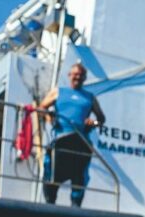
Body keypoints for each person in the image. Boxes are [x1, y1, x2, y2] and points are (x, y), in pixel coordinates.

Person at [34, 62, 105, 207]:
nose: (77, 77)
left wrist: (94, 123)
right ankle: (50, 204)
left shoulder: (90, 98)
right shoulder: (58, 92)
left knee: (79, 177)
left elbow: (101, 119)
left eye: (80, 75)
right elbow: (41, 108)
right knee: (51, 172)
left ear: (84, 78)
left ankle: (75, 206)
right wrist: (49, 118)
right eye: (75, 75)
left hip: (81, 141)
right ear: (69, 76)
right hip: (62, 138)